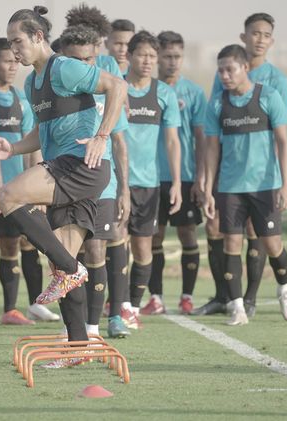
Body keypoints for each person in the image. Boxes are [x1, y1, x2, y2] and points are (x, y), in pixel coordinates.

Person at [0, 6, 127, 349]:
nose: (14, 51)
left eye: (18, 42)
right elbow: (41, 131)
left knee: (7, 196)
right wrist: (12, 149)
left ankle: (72, 270)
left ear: (38, 37)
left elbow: (117, 86)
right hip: (66, 168)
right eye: (11, 45)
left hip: (82, 166)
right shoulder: (32, 83)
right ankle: (78, 346)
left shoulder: (64, 67)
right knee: (62, 271)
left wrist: (102, 136)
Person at [198, 12, 287, 317]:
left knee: (272, 243)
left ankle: (283, 289)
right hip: (230, 185)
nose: (225, 76)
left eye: (230, 70)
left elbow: (283, 141)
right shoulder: (218, 104)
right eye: (221, 71)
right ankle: (237, 306)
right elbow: (211, 147)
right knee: (231, 242)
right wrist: (208, 186)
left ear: (245, 68)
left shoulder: (273, 92)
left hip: (265, 185)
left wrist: (285, 185)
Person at [60, 24, 131, 339]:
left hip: (103, 186)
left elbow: (119, 142)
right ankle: (73, 330)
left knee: (96, 251)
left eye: (89, 60)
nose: (84, 67)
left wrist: (124, 189)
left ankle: (93, 330)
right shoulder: (54, 88)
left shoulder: (106, 90)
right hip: (62, 184)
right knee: (64, 258)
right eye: (77, 60)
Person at [0, 37, 59, 324]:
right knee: (8, 246)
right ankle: (7, 308)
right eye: (7, 60)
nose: (14, 66)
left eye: (16, 61)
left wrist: (35, 187)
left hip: (22, 188)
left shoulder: (21, 99)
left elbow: (34, 143)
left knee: (32, 243)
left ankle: (35, 303)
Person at [142, 30, 206, 316]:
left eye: (177, 57)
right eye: (166, 56)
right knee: (153, 236)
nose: (172, 62)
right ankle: (155, 297)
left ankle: (187, 296)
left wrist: (201, 177)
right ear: (157, 59)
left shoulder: (193, 93)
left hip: (187, 176)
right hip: (152, 176)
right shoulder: (148, 89)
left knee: (187, 235)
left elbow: (202, 138)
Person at [121, 30, 182, 329]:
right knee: (115, 245)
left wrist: (178, 183)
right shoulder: (115, 87)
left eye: (152, 56)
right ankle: (116, 304)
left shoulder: (164, 93)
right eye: (142, 54)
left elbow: (172, 142)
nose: (147, 61)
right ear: (130, 55)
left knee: (143, 249)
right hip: (116, 182)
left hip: (149, 184)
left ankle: (131, 307)